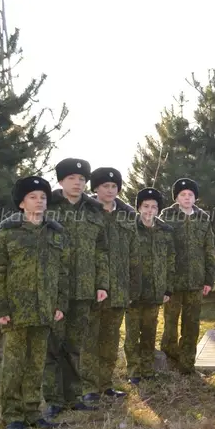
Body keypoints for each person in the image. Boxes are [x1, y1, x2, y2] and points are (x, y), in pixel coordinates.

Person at [0, 176, 69, 429]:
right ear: (22, 203)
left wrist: (60, 304)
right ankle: (13, 415)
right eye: (33, 197)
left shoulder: (55, 233)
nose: (40, 201)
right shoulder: (8, 233)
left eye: (43, 197)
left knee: (36, 364)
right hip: (15, 312)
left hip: (45, 311)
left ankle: (32, 411)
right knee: (14, 364)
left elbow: (63, 272)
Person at [43, 158, 109, 417]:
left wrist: (102, 283)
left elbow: (101, 250)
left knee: (73, 344)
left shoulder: (94, 210)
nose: (78, 183)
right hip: (53, 289)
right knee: (52, 345)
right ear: (60, 181)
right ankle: (53, 399)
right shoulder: (48, 206)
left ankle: (73, 395)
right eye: (72, 178)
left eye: (82, 179)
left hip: (83, 288)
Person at [80, 167, 140, 401]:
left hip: (119, 288)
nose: (110, 190)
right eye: (105, 186)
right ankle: (87, 388)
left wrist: (134, 285)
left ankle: (105, 384)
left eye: (114, 187)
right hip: (92, 286)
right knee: (89, 339)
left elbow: (135, 253)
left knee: (110, 339)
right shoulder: (86, 212)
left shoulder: (127, 215)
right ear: (95, 188)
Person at [159, 178, 215, 375]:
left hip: (196, 281)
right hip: (173, 281)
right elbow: (161, 249)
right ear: (176, 197)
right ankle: (168, 358)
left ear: (195, 198)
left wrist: (209, 279)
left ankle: (187, 364)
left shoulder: (203, 218)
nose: (186, 197)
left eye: (190, 194)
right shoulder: (166, 215)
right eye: (182, 194)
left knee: (192, 324)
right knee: (170, 323)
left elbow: (209, 249)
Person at [124, 187, 175, 384]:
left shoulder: (165, 231)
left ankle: (147, 368)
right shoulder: (129, 229)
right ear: (138, 207)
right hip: (133, 291)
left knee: (149, 331)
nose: (149, 210)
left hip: (155, 290)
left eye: (154, 207)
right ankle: (133, 371)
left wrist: (167, 288)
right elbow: (122, 260)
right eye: (145, 206)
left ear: (158, 209)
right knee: (131, 333)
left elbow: (170, 262)